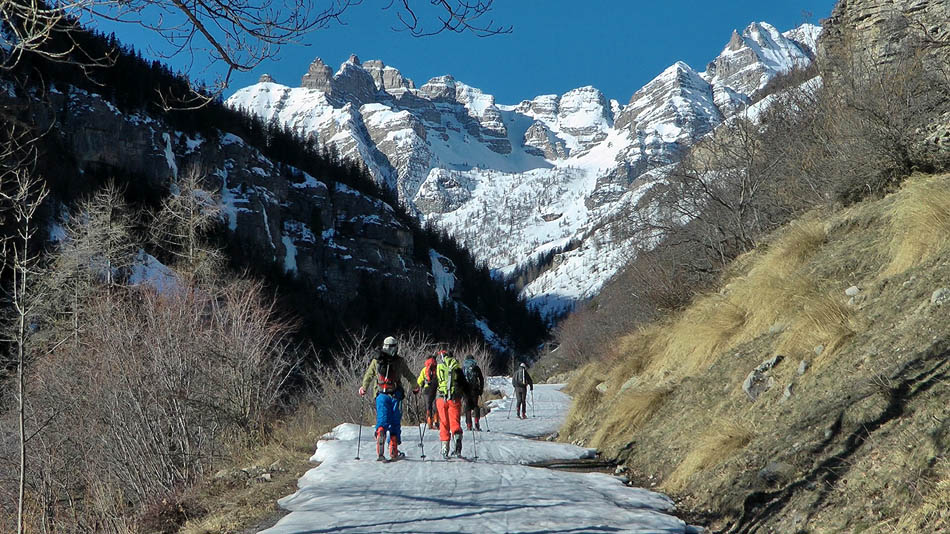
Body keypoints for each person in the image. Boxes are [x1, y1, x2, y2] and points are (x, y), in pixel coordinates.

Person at [359, 336, 419, 461]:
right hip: (395, 395)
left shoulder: (376, 360)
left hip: (381, 394)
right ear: (395, 347)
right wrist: (415, 386)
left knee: (382, 420)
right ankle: (393, 450)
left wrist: (364, 387)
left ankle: (380, 433)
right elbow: (409, 375)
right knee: (395, 422)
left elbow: (369, 375)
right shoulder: (399, 361)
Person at [436, 349, 466, 458]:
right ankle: (457, 441)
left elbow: (434, 383)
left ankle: (445, 448)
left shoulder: (438, 367)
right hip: (454, 398)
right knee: (455, 422)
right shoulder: (456, 367)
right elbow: (464, 383)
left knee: (444, 423)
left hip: (441, 398)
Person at [461, 354, 484, 431]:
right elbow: (481, 378)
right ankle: (477, 423)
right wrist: (481, 389)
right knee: (475, 406)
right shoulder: (476, 367)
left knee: (467, 407)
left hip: (466, 389)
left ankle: (469, 425)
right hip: (475, 389)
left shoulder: (463, 367)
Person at [416, 353, 440, 429]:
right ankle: (436, 421)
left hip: (427, 389)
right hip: (436, 388)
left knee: (428, 406)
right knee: (435, 405)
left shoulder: (424, 369)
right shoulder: (438, 368)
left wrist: (418, 387)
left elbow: (419, 381)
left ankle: (430, 423)